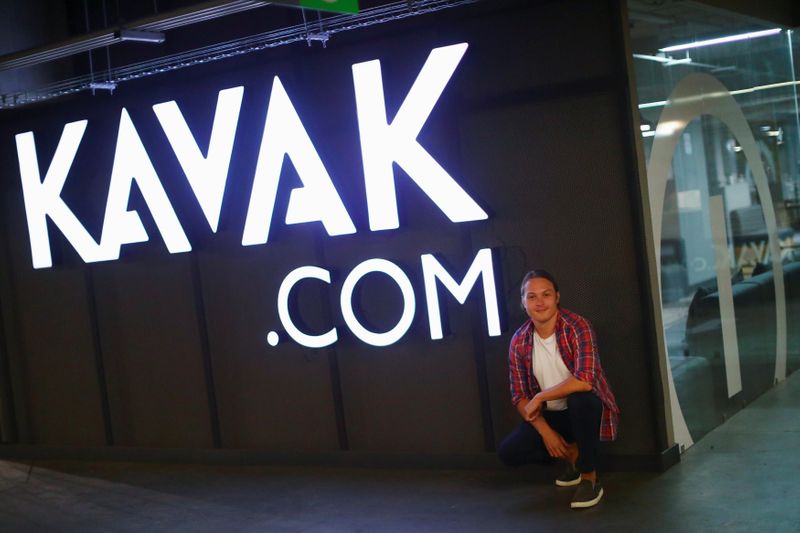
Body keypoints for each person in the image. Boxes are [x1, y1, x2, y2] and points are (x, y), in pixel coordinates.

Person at [497, 269, 619, 509]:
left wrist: (541, 396)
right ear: (523, 302)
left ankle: (589, 477)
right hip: (552, 415)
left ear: (557, 297)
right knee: (508, 452)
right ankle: (574, 456)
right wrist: (545, 432)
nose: (540, 302)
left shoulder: (577, 326)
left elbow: (584, 380)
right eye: (531, 297)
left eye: (546, 294)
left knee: (580, 400)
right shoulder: (519, 341)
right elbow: (519, 396)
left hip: (584, 410)